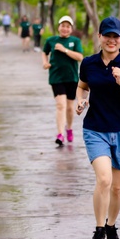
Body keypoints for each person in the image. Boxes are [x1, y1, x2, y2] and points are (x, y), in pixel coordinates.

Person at [75, 16, 120, 239]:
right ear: (100, 37)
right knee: (104, 179)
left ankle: (111, 224)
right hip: (95, 129)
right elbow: (82, 86)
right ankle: (98, 228)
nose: (111, 40)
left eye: (116, 36)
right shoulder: (88, 63)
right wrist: (80, 101)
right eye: (107, 35)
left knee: (117, 186)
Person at [42, 16, 84, 146]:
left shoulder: (75, 41)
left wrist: (65, 50)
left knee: (70, 108)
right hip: (56, 77)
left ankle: (69, 128)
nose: (65, 29)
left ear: (71, 29)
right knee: (60, 105)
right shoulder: (51, 40)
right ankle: (60, 134)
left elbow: (80, 57)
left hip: (71, 77)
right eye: (63, 26)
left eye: (68, 26)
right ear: (58, 27)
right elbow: (44, 52)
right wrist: (45, 62)